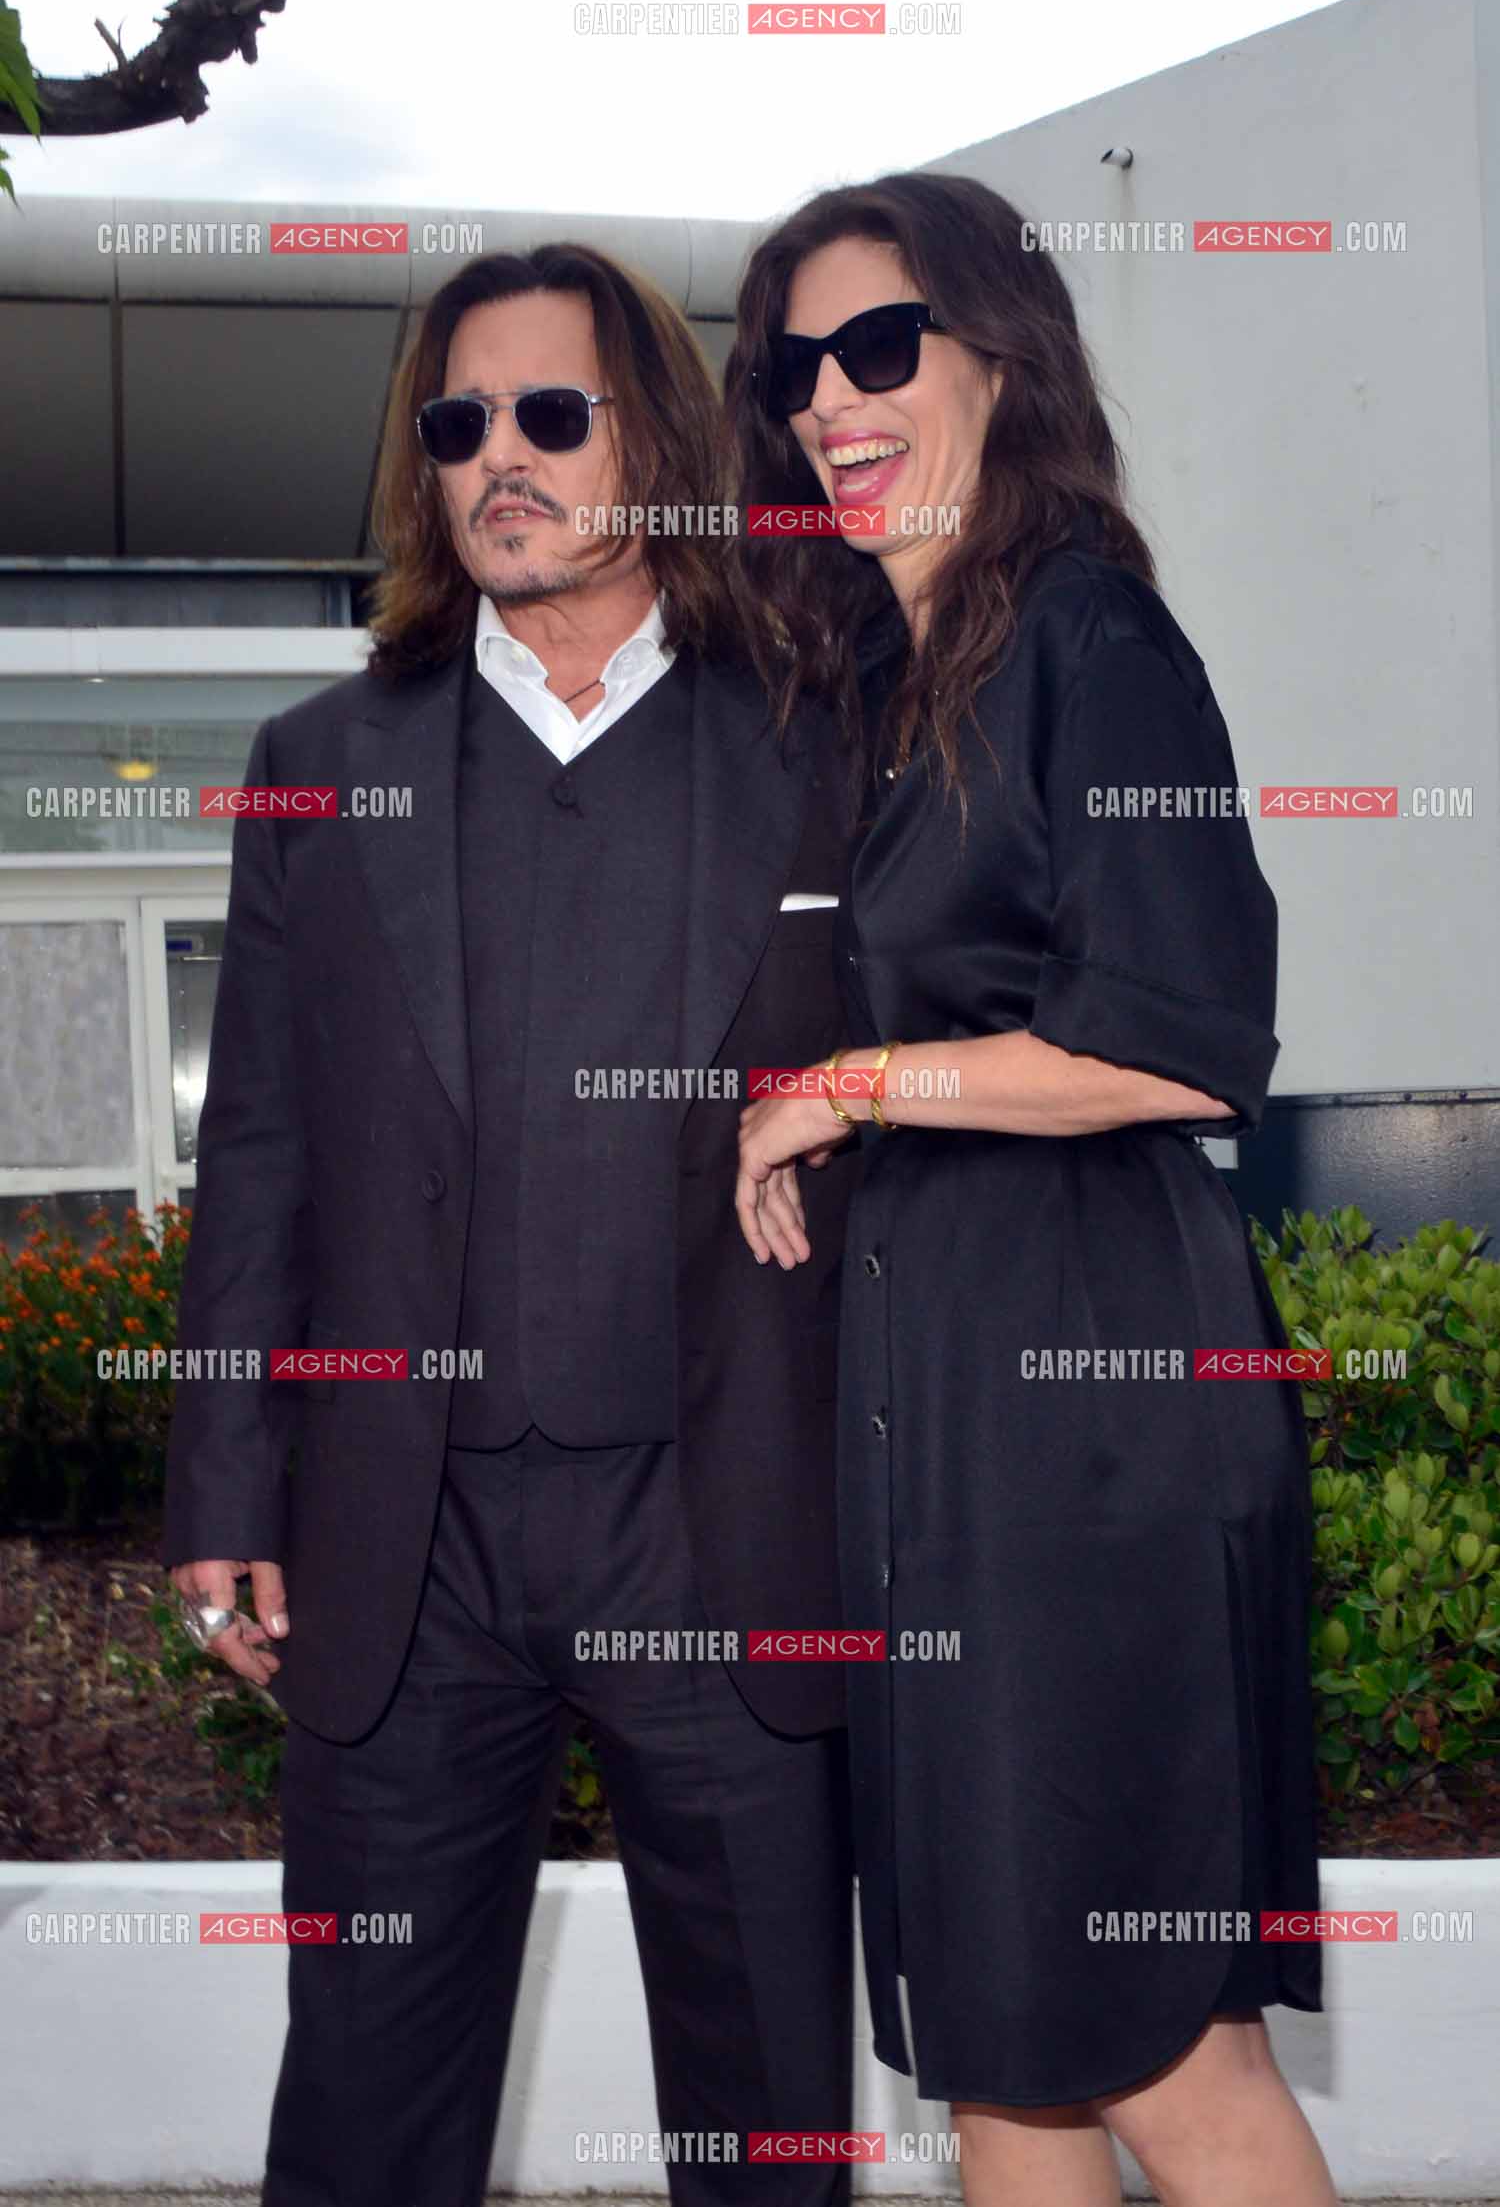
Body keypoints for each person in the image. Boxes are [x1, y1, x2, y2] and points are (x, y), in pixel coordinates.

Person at [160, 242, 860, 2207]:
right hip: (410, 1533)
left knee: (767, 2125)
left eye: (552, 415)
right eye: (459, 426)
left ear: (653, 437)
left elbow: (937, 1055)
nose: (502, 463)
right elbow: (267, 1154)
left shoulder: (818, 737)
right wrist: (226, 1481)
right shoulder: (323, 766)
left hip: (724, 1519)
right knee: (366, 2117)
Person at [728, 173, 1338, 2207]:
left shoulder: (1087, 622)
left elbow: (1178, 1034)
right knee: (1005, 2055)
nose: (831, 396)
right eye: (794, 366)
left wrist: (853, 1084)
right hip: (956, 1432)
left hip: (1091, 1434)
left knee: (1164, 2052)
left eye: (880, 346)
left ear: (1001, 353)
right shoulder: (911, 683)